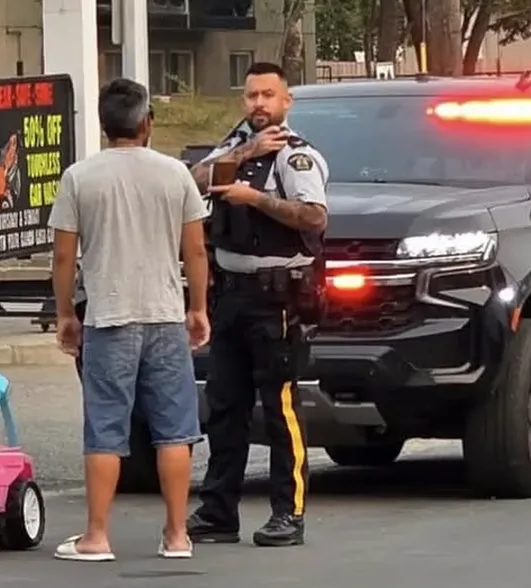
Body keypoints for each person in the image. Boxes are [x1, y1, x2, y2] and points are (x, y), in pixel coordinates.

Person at [48, 77, 211, 561]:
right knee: (175, 429)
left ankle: (97, 536)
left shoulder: (80, 177)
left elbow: (63, 255)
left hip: (109, 317)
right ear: (147, 123)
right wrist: (197, 308)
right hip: (164, 315)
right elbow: (195, 250)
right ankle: (177, 534)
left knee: (105, 428)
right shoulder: (176, 174)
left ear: (104, 126)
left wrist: (64, 313)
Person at [186, 62, 329, 547]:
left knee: (279, 408)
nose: (259, 104)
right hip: (231, 296)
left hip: (276, 299)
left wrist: (255, 199)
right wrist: (243, 152)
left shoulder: (296, 156)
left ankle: (289, 513)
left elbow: (313, 217)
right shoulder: (235, 145)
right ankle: (218, 513)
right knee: (225, 406)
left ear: (286, 101)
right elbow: (194, 181)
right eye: (252, 96)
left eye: (269, 95)